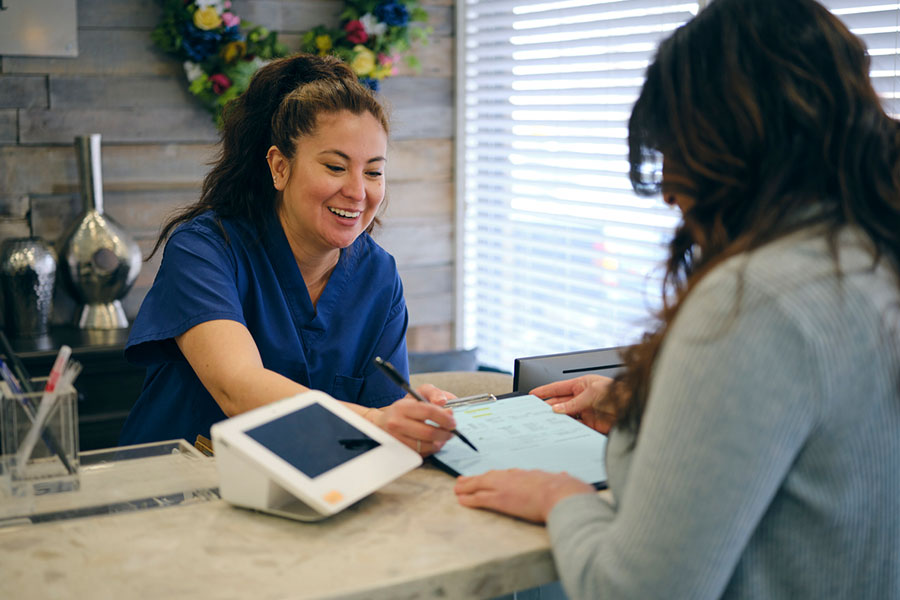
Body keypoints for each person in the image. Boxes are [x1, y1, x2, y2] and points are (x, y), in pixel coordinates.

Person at [454, 0, 900, 597]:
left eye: (675, 152)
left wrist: (559, 497)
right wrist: (650, 410)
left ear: (731, 145)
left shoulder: (753, 300)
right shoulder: (869, 257)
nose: (667, 191)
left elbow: (638, 590)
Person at [119, 53, 455, 455]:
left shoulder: (378, 276)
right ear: (280, 167)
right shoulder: (206, 250)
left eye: (373, 172)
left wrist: (413, 418)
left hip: (311, 491)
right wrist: (374, 421)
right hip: (175, 491)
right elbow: (237, 386)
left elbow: (383, 417)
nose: (358, 192)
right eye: (335, 166)